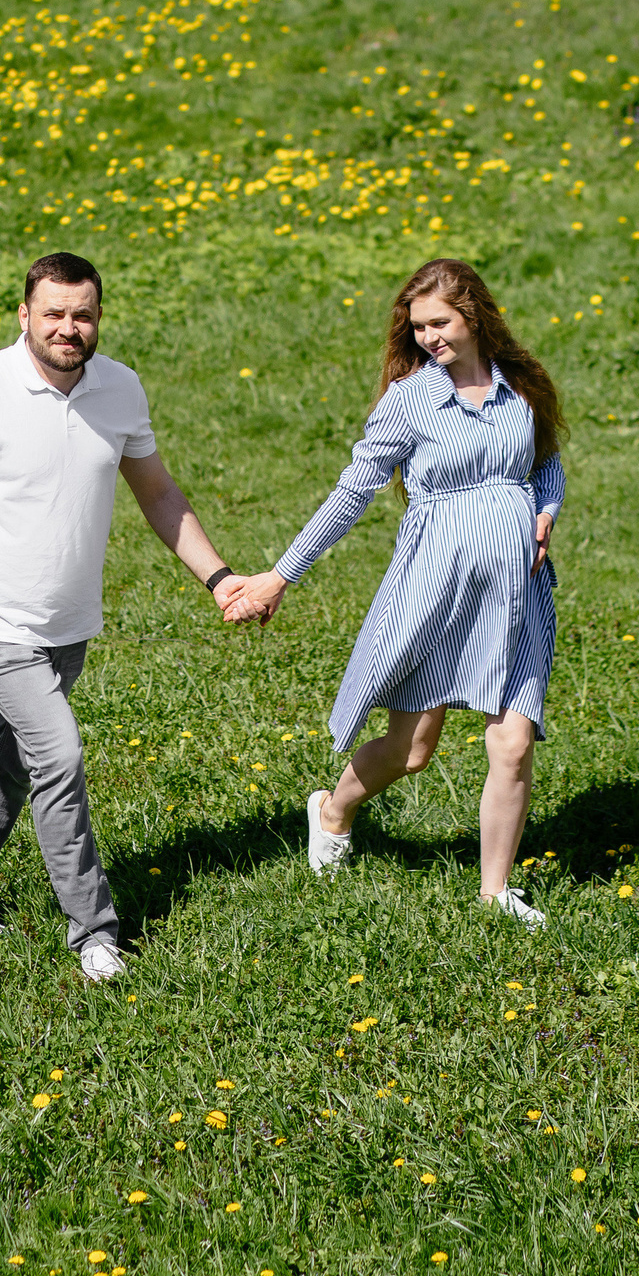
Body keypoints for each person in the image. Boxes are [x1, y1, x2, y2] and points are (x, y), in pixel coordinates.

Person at [0, 251, 247, 982]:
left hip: (69, 619)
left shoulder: (120, 390)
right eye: (54, 314)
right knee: (59, 756)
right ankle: (94, 931)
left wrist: (220, 578)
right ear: (24, 316)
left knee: (15, 760)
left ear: (98, 316)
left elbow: (159, 495)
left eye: (83, 314)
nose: (69, 328)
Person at [223, 258, 566, 927]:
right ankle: (334, 809)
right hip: (438, 589)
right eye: (418, 327)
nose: (430, 337)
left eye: (440, 322)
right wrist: (280, 575)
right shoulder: (410, 399)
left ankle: (495, 893)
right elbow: (353, 491)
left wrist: (546, 510)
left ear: (475, 313)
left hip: (518, 593)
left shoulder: (520, 385)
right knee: (413, 750)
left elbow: (545, 460)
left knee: (513, 742)